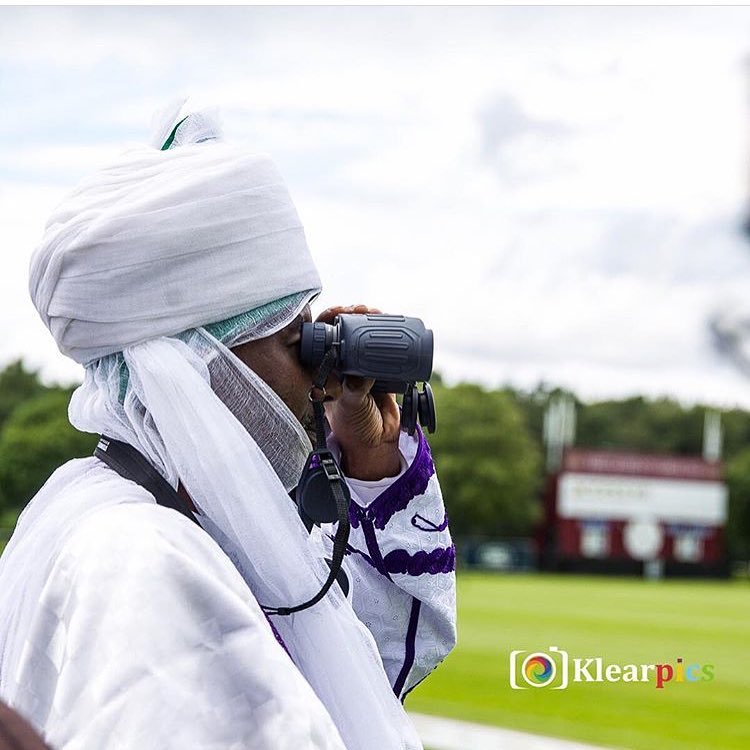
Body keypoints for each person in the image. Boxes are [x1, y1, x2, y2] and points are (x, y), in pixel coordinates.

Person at [0, 103, 456, 750]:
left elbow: (347, 673)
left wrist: (372, 460)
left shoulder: (113, 505)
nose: (316, 378)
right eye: (298, 339)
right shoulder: (146, 563)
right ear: (204, 364)